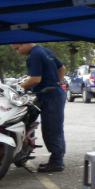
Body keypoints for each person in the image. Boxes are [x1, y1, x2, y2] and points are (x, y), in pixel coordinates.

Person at [11, 43, 67, 172]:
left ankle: (56, 162)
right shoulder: (44, 51)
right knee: (54, 127)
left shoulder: (34, 55)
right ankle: (56, 156)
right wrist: (56, 83)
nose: (18, 52)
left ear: (25, 43)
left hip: (50, 96)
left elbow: (35, 79)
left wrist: (19, 87)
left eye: (18, 48)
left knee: (51, 129)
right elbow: (62, 68)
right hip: (53, 93)